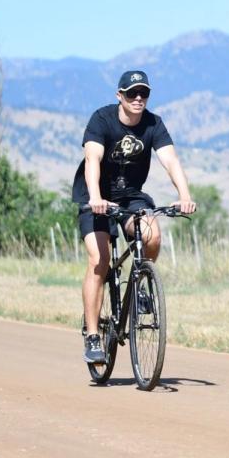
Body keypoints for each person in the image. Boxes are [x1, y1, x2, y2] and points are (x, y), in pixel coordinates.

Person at [75, 70, 196, 364]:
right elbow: (93, 160)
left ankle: (141, 281)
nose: (139, 99)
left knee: (152, 235)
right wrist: (95, 198)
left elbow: (171, 160)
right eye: (132, 94)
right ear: (120, 96)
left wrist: (184, 196)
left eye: (144, 94)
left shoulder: (154, 123)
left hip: (130, 195)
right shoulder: (102, 120)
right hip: (96, 196)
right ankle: (93, 335)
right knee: (99, 260)